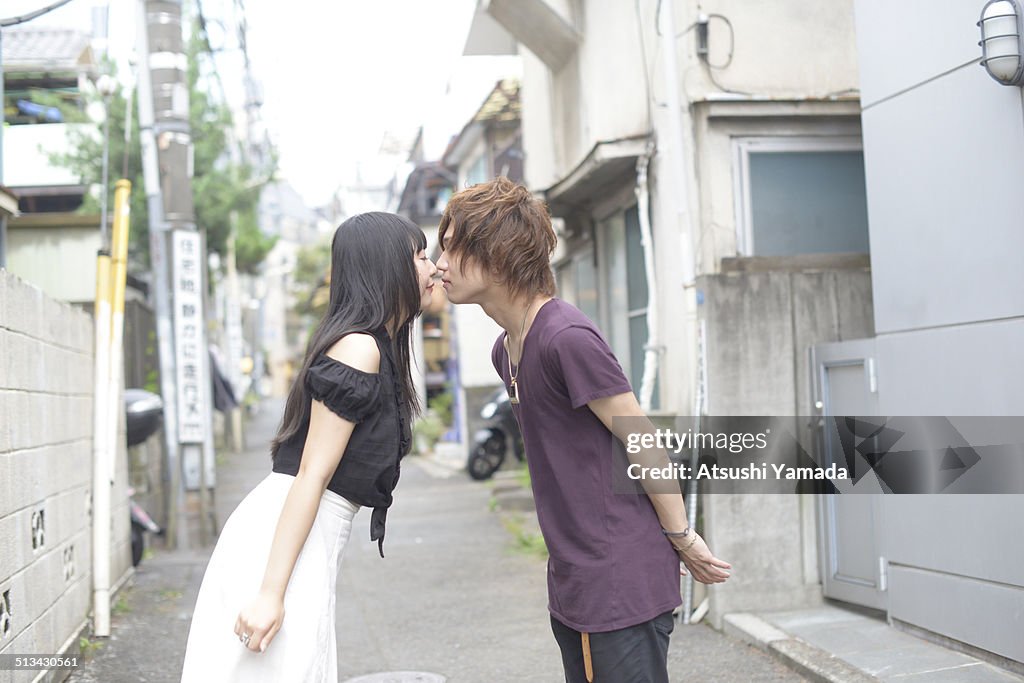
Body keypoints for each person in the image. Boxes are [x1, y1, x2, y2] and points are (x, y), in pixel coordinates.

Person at [437, 177, 731, 683]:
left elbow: (641, 441)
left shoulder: (565, 336)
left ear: (497, 254)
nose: (440, 264)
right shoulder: (505, 349)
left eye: (451, 249)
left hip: (617, 577)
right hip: (575, 579)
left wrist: (681, 538)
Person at [181, 212, 437, 682]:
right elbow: (311, 475)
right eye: (420, 256)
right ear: (387, 268)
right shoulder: (359, 348)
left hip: (305, 535)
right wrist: (270, 593)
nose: (433, 267)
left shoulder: (377, 345)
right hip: (287, 535)